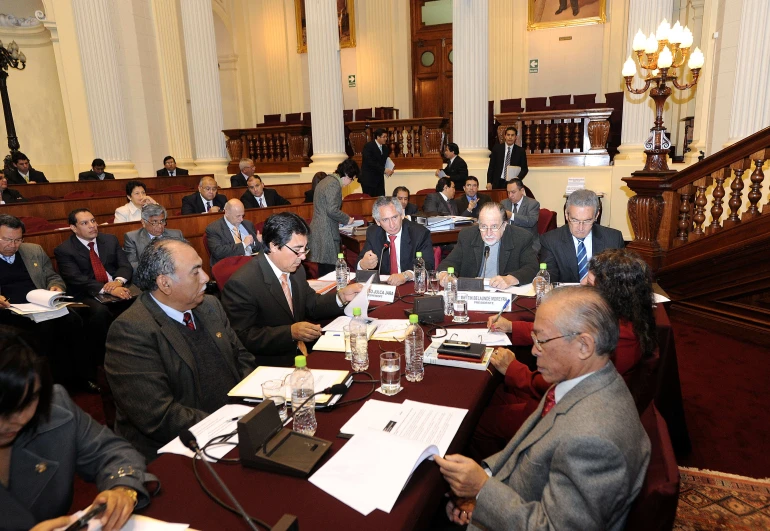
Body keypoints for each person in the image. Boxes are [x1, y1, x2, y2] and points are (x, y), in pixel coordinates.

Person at [435, 287, 650, 531]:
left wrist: (482, 489)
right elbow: (525, 449)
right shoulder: (580, 380)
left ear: (584, 345)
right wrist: (483, 480)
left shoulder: (593, 441)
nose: (535, 349)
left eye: (542, 340)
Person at [474, 248, 658, 458]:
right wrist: (512, 328)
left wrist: (513, 370)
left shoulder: (617, 337)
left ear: (611, 294)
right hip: (577, 400)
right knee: (493, 396)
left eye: (589, 282)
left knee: (482, 421)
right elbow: (562, 332)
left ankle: (498, 476)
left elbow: (563, 386)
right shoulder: (623, 319)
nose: (581, 283)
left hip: (572, 414)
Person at [105, 239, 256, 461]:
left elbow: (241, 357)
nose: (206, 277)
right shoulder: (132, 330)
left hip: (234, 426)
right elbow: (159, 415)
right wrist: (230, 423)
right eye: (196, 272)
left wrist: (254, 404)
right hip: (178, 449)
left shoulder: (210, 305)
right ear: (165, 283)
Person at [1, 329, 158, 531]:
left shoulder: (53, 408)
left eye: (30, 400)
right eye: (4, 410)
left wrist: (123, 488)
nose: (20, 418)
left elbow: (111, 452)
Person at [221, 212, 361, 367]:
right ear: (274, 245)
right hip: (271, 364)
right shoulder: (242, 284)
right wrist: (290, 333)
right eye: (297, 250)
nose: (303, 257)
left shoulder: (296, 270)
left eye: (305, 249)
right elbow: (243, 337)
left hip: (303, 353)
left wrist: (341, 297)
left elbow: (311, 303)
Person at [0, 215, 94, 390]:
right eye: (7, 240)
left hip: (40, 305)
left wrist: (55, 287)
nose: (13, 245)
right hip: (10, 311)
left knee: (73, 320)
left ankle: (82, 378)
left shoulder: (33, 250)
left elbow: (52, 276)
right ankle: (48, 384)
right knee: (43, 329)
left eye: (18, 240)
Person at [438, 202, 538, 289]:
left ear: (504, 225)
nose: (488, 233)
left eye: (494, 227)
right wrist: (445, 275)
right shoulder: (467, 235)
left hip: (504, 294)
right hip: (473, 295)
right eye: (484, 226)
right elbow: (449, 263)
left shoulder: (521, 237)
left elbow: (532, 268)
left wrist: (510, 279)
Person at [540, 189, 625, 283]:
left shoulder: (613, 239)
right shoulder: (550, 240)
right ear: (566, 215)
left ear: (596, 215)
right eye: (575, 220)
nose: (580, 227)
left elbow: (620, 277)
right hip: (567, 296)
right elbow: (549, 277)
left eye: (587, 221)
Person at [54, 209, 133, 301]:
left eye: (93, 221)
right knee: (100, 311)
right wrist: (109, 290)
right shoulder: (64, 250)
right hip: (88, 292)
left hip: (117, 284)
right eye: (84, 223)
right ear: (74, 228)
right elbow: (76, 279)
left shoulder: (110, 240)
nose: (92, 226)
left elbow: (125, 265)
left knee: (139, 301)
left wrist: (118, 282)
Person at [356, 197, 434, 286]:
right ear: (377, 222)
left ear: (401, 215)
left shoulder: (419, 233)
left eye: (394, 217)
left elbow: (428, 265)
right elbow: (360, 262)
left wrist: (406, 275)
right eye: (385, 220)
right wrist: (363, 264)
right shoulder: (373, 233)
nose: (392, 225)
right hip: (384, 287)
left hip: (410, 285)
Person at [308, 159, 357, 277]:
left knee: (324, 270)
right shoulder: (333, 184)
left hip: (320, 229)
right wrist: (347, 219)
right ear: (346, 175)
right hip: (326, 233)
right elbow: (332, 210)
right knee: (329, 273)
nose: (350, 183)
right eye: (351, 179)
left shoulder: (326, 180)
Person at [123, 204, 184, 272]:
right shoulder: (132, 238)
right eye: (154, 222)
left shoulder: (176, 235)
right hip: (148, 277)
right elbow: (132, 266)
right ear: (143, 222)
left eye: (162, 221)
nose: (160, 226)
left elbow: (185, 258)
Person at [205, 198, 262, 267]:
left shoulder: (248, 224)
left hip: (251, 263)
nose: (241, 219)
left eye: (243, 215)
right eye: (238, 216)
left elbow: (257, 248)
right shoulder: (214, 228)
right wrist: (244, 244)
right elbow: (218, 252)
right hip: (229, 266)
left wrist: (257, 242)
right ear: (227, 213)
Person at [502, 178, 541, 252]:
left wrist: (512, 216)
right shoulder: (504, 203)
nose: (510, 195)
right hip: (508, 242)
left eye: (513, 192)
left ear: (522, 191)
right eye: (508, 192)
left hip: (528, 243)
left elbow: (531, 221)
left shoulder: (532, 204)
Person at [486, 126, 528, 190]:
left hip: (512, 182)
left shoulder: (520, 151)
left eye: (512, 135)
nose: (510, 137)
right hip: (497, 182)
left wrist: (518, 178)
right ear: (505, 136)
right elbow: (491, 167)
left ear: (515, 137)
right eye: (508, 135)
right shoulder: (497, 149)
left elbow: (524, 169)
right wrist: (489, 182)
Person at [360, 128, 393, 197]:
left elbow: (386, 160)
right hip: (368, 179)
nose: (386, 139)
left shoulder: (385, 148)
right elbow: (370, 161)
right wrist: (384, 170)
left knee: (381, 200)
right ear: (378, 137)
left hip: (379, 179)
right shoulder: (369, 146)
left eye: (386, 137)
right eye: (384, 137)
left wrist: (390, 168)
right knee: (369, 201)